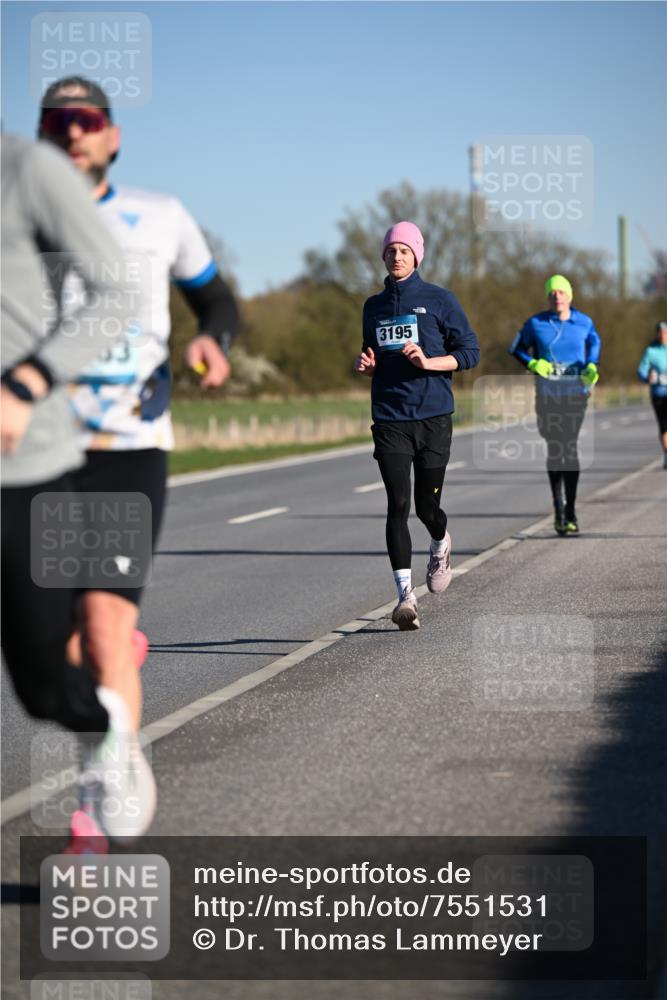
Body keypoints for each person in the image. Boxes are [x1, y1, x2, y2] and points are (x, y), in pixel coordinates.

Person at [37, 76, 240, 847]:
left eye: (87, 119)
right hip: (42, 456)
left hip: (128, 451)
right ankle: (115, 675)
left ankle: (97, 810)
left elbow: (217, 301)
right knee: (54, 644)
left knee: (97, 629)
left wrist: (210, 340)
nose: (73, 130)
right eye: (57, 119)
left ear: (111, 136)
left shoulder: (159, 216)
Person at [1, 134, 133, 828]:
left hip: (28, 469)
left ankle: (104, 725)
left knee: (44, 687)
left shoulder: (27, 169)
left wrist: (28, 381)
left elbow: (120, 291)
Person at [355, 221, 480, 631]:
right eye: (391, 250)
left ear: (416, 256)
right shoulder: (373, 306)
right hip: (390, 417)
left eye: (404, 250)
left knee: (427, 508)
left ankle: (441, 542)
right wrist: (368, 365)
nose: (397, 256)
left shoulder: (439, 300)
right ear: (383, 256)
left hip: (433, 417)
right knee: (398, 504)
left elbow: (470, 352)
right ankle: (405, 597)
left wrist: (428, 362)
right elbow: (372, 355)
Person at [509, 274, 601, 536]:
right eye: (551, 293)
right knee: (554, 448)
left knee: (568, 447)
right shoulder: (536, 323)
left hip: (575, 394)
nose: (556, 296)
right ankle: (558, 505)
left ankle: (569, 511)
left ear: (569, 295)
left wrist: (592, 364)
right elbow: (515, 348)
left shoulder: (584, 322)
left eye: (561, 292)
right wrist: (532, 363)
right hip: (547, 395)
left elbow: (595, 342)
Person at [637, 321, 667, 468]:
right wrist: (646, 377)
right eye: (660, 333)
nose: (662, 335)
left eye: (665, 333)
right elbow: (641, 370)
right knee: (664, 425)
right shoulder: (651, 351)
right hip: (658, 393)